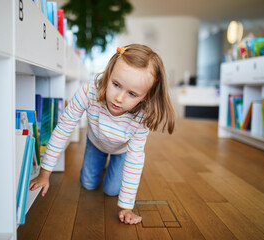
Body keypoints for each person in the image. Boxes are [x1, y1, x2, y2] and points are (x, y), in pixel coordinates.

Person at [29, 44, 175, 225]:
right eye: (115, 84)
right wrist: (44, 173)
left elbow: (135, 158)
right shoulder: (88, 92)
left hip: (121, 151)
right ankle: (102, 167)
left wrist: (126, 207)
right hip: (95, 143)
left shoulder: (142, 116)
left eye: (131, 93)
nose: (119, 98)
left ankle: (112, 168)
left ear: (144, 96)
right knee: (88, 184)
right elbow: (64, 127)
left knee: (112, 191)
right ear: (108, 73)